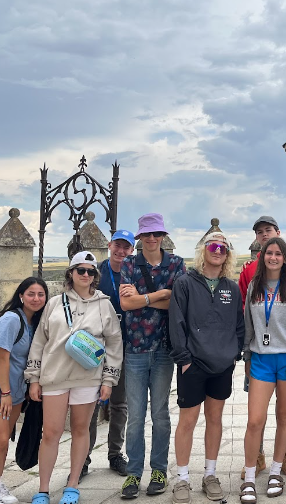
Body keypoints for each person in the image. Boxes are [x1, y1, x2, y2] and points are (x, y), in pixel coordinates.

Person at [26, 251, 124, 504]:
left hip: (88, 378)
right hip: (55, 376)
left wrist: (108, 380)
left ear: (95, 277)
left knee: (81, 431)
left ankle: (72, 485)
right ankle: (44, 488)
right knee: (51, 433)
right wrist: (34, 377)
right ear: (71, 273)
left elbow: (114, 343)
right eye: (80, 270)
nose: (85, 275)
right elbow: (39, 341)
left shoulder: (104, 304)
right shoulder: (54, 303)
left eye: (91, 271)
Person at [168, 231, 244, 504]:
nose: (218, 251)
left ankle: (210, 474)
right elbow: (176, 322)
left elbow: (239, 323)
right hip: (193, 363)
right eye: (213, 246)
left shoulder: (231, 287)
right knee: (187, 421)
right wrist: (184, 359)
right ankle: (183, 478)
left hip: (221, 364)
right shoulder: (185, 283)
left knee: (215, 419)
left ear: (227, 255)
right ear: (204, 250)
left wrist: (233, 354)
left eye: (223, 248)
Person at [239, 237, 286, 503]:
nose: (272, 257)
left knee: (284, 416)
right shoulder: (253, 287)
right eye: (268, 253)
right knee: (255, 420)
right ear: (262, 257)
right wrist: (247, 356)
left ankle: (275, 471)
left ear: (285, 258)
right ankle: (249, 477)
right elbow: (249, 325)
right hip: (260, 360)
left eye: (277, 254)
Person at [117, 214, 186, 499]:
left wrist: (142, 298)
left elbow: (179, 302)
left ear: (162, 235)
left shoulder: (177, 264)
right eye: (146, 234)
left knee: (160, 414)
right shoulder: (130, 264)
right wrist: (160, 295)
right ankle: (133, 474)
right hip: (134, 348)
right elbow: (125, 303)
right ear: (140, 238)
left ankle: (158, 469)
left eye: (156, 233)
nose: (151, 238)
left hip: (164, 348)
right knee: (135, 416)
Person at [0, 277, 50, 504]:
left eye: (41, 294)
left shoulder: (32, 322)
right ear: (20, 296)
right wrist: (5, 393)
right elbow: (1, 357)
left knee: (4, 441)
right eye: (31, 294)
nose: (36, 299)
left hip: (15, 391)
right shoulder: (11, 319)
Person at [85, 229, 136, 479]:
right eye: (118, 245)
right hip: (95, 348)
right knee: (91, 403)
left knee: (120, 403)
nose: (122, 251)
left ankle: (115, 454)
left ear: (132, 250)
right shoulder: (95, 273)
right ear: (109, 245)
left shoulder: (135, 273)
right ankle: (83, 457)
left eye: (127, 247)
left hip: (124, 346)